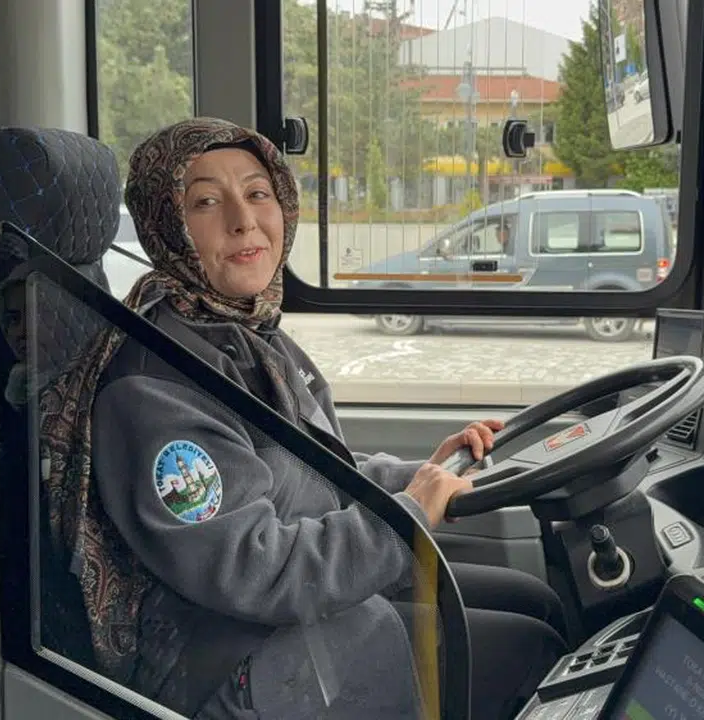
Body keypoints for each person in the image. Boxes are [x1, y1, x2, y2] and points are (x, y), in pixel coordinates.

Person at [37, 117, 566, 719]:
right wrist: (407, 514)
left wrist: (423, 474)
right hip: (222, 657)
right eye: (206, 201)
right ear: (166, 225)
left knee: (534, 602)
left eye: (258, 192)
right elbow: (251, 567)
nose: (244, 219)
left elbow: (314, 466)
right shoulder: (151, 387)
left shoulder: (241, 330)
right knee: (531, 648)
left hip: (288, 607)